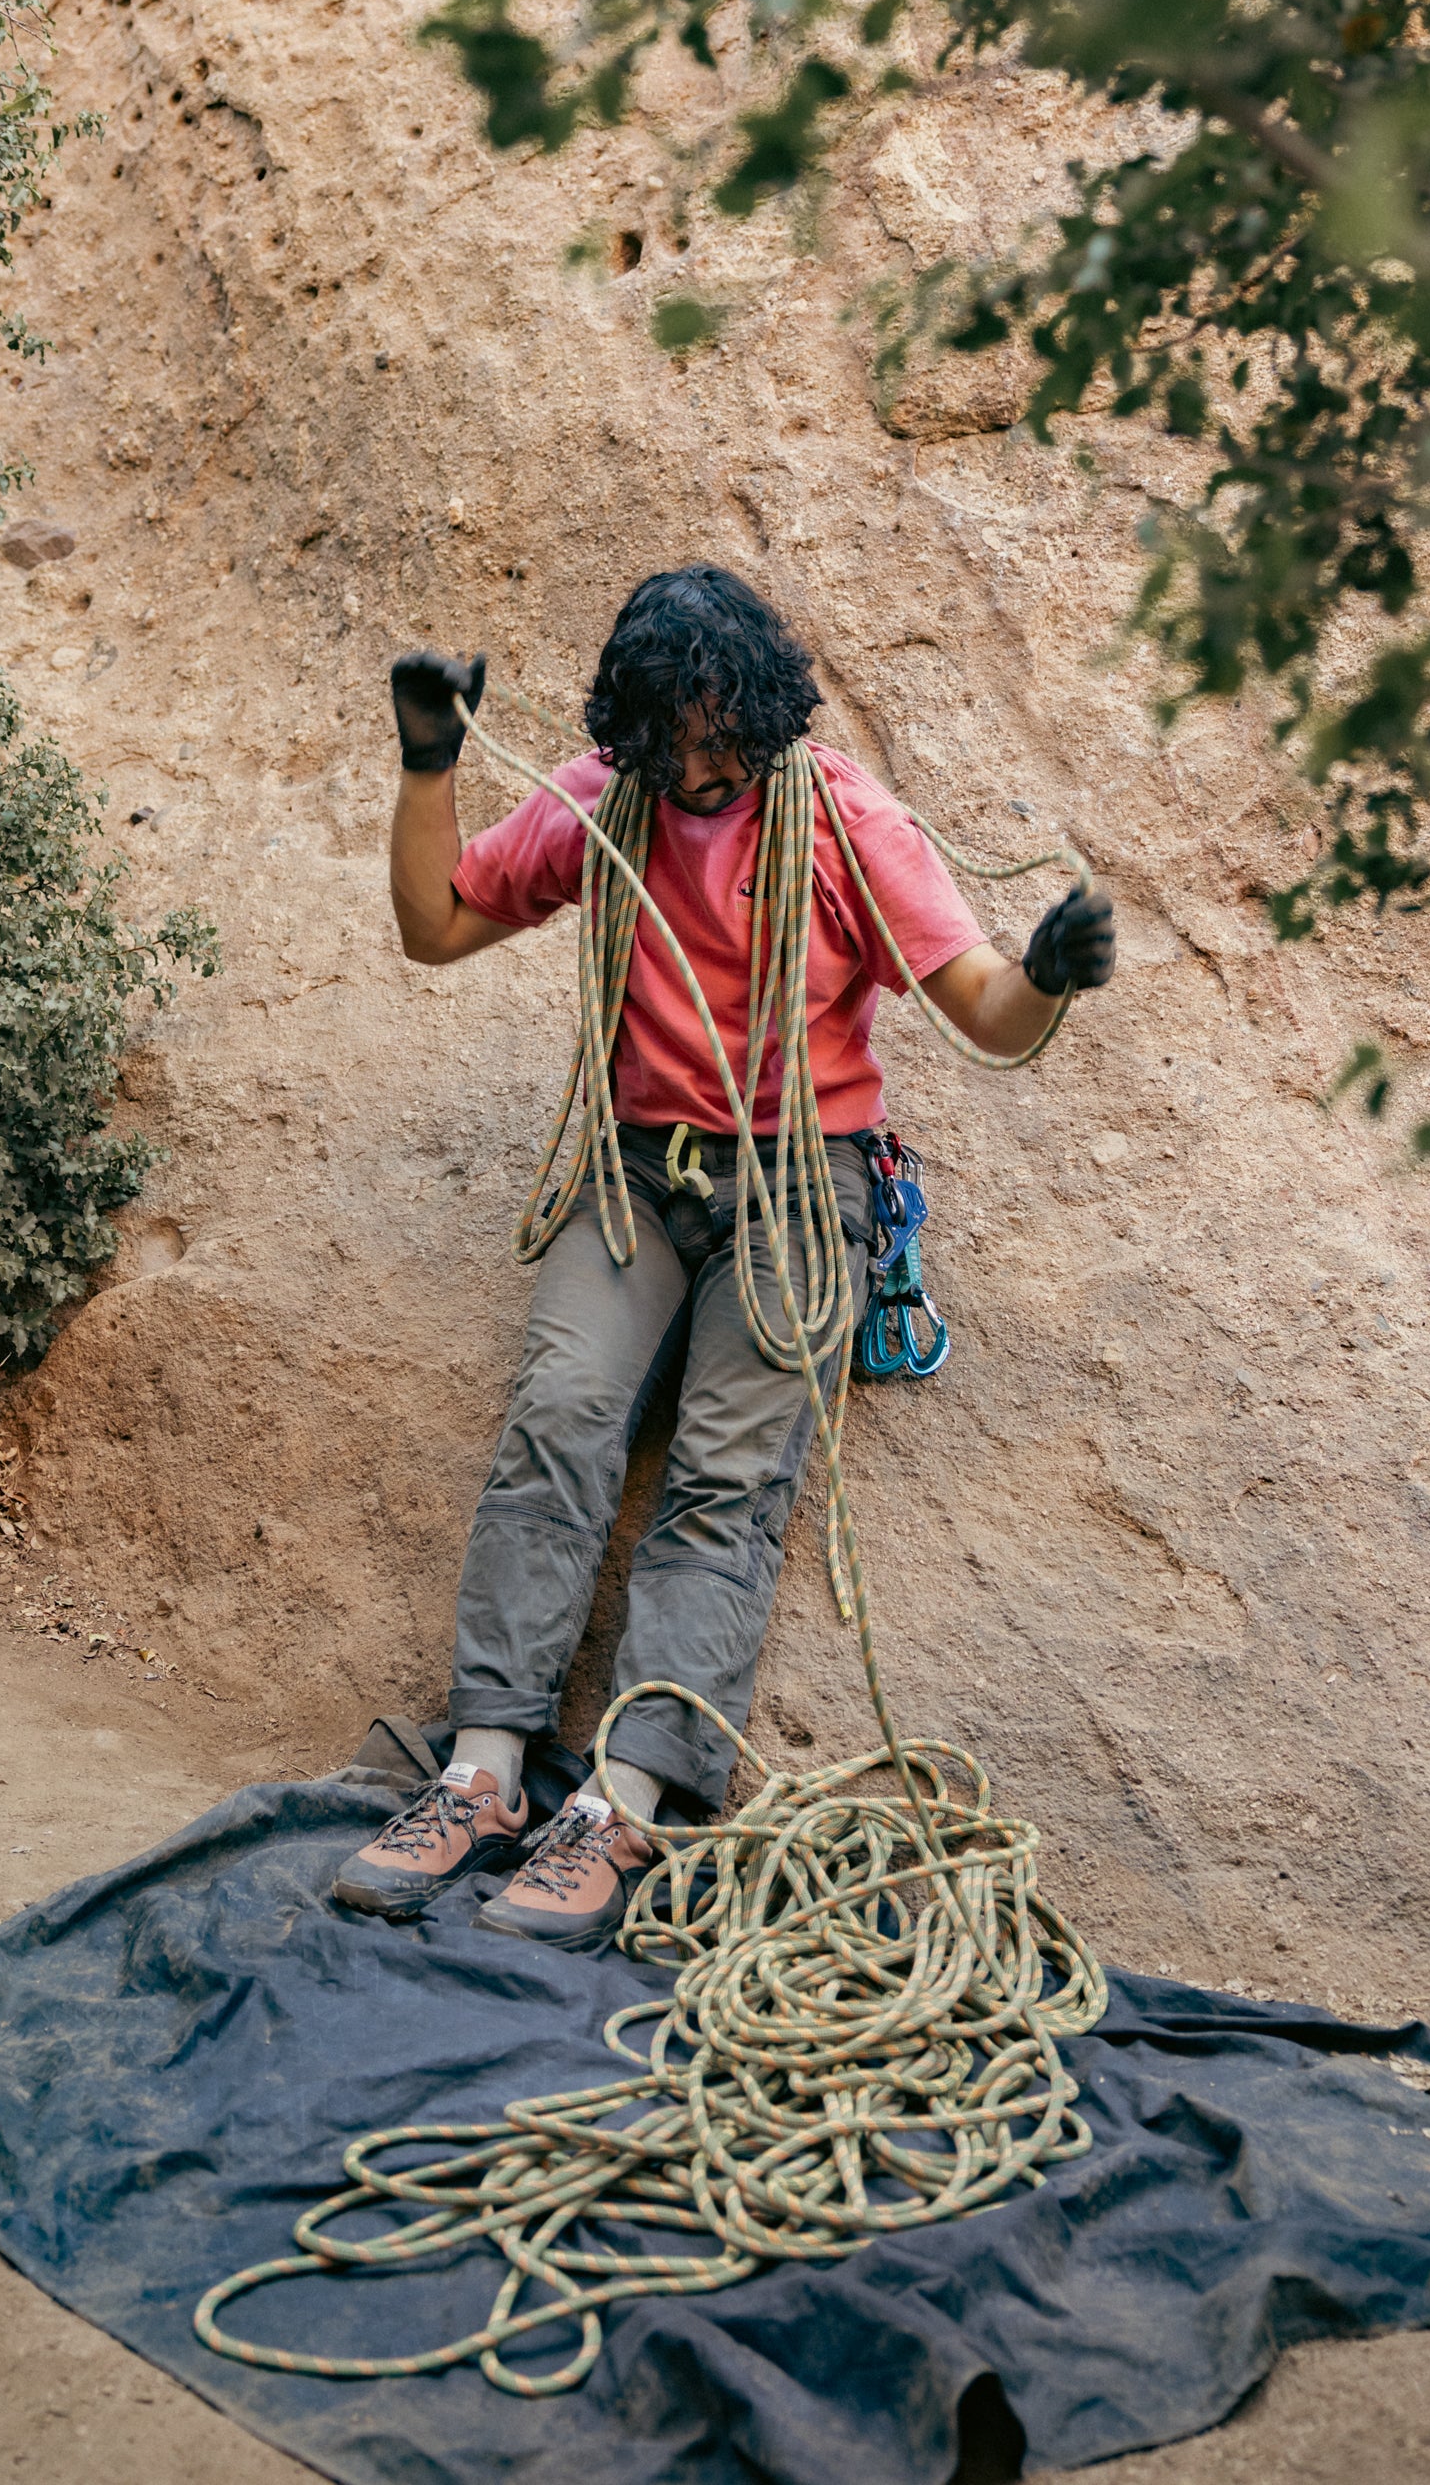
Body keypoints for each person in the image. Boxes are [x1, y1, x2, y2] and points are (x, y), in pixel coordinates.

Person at [332, 564, 1116, 1951]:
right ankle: (485, 1771)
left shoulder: (845, 822)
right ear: (627, 729)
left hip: (802, 1185)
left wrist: (1045, 970)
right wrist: (428, 764)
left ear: (764, 709)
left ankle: (623, 1801)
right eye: (668, 741)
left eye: (719, 738)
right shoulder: (605, 801)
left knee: (726, 1475)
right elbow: (434, 926)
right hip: (637, 1171)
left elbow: (988, 1012)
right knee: (560, 1417)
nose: (695, 770)